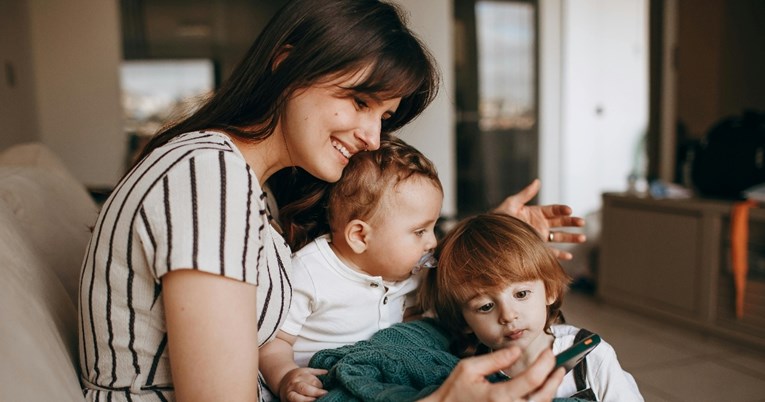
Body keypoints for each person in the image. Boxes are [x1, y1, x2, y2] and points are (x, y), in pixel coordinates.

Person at [78, 0, 579, 400]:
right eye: (359, 101)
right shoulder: (207, 176)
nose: (372, 137)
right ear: (287, 63)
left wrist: (481, 246)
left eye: (384, 116)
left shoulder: (246, 184)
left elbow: (369, 259)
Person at [259, 136, 443, 401]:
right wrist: (285, 377)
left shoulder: (409, 274)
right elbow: (273, 342)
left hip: (378, 379)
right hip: (324, 386)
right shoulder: (310, 272)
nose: (432, 241)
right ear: (360, 236)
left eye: (433, 228)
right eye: (419, 231)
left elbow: (410, 323)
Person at [419, 213, 643, 401]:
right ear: (463, 321)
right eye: (486, 306)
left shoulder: (592, 356)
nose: (508, 315)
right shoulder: (471, 378)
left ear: (550, 290)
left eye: (521, 294)